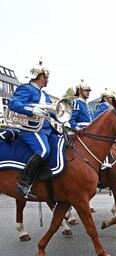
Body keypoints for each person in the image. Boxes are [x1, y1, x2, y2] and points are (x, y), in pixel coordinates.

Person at [8, 58, 58, 199]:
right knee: (43, 151)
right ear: (40, 77)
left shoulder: (45, 95)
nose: (48, 80)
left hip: (46, 129)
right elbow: (13, 103)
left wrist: (63, 121)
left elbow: (51, 112)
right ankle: (24, 183)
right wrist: (32, 109)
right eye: (46, 77)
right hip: (32, 130)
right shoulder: (26, 88)